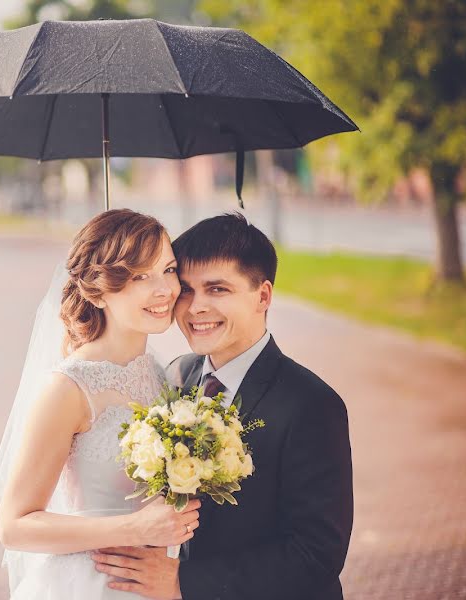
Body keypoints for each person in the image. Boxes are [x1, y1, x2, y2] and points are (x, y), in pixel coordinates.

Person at [92, 212, 354, 599]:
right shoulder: (176, 377)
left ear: (262, 296)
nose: (195, 307)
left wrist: (185, 583)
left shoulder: (311, 405)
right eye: (185, 289)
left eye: (217, 290)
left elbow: (315, 554)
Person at [0, 208, 202, 599]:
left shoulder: (161, 373)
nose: (165, 290)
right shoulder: (69, 388)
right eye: (141, 276)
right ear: (99, 290)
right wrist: (134, 529)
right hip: (92, 584)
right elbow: (15, 525)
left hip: (157, 582)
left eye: (169, 270)